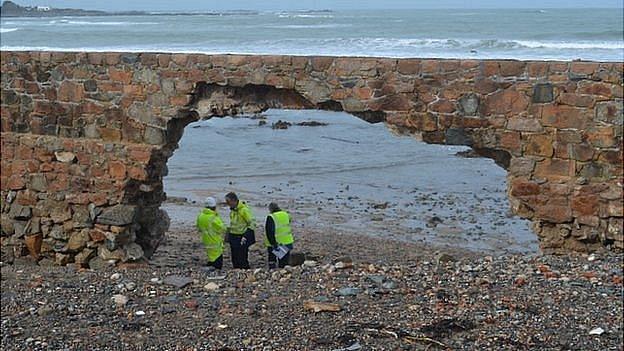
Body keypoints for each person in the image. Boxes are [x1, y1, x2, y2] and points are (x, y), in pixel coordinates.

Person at [225, 192, 255, 269]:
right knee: (234, 257)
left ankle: (245, 270)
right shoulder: (233, 210)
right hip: (233, 236)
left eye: (228, 202)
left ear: (234, 200)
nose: (227, 204)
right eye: (226, 202)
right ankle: (236, 269)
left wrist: (246, 235)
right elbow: (233, 223)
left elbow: (252, 223)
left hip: (241, 236)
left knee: (242, 257)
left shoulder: (244, 210)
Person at [196, 197, 226, 269]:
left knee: (210, 256)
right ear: (214, 207)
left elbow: (199, 227)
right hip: (215, 241)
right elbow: (222, 228)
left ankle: (210, 265)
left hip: (206, 240)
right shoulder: (213, 218)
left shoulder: (200, 216)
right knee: (217, 259)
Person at [264, 202, 294, 269]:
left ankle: (273, 272)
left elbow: (269, 232)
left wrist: (273, 243)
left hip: (276, 243)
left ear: (270, 209)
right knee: (284, 262)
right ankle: (283, 273)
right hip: (287, 242)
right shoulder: (286, 214)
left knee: (272, 261)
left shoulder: (271, 217)